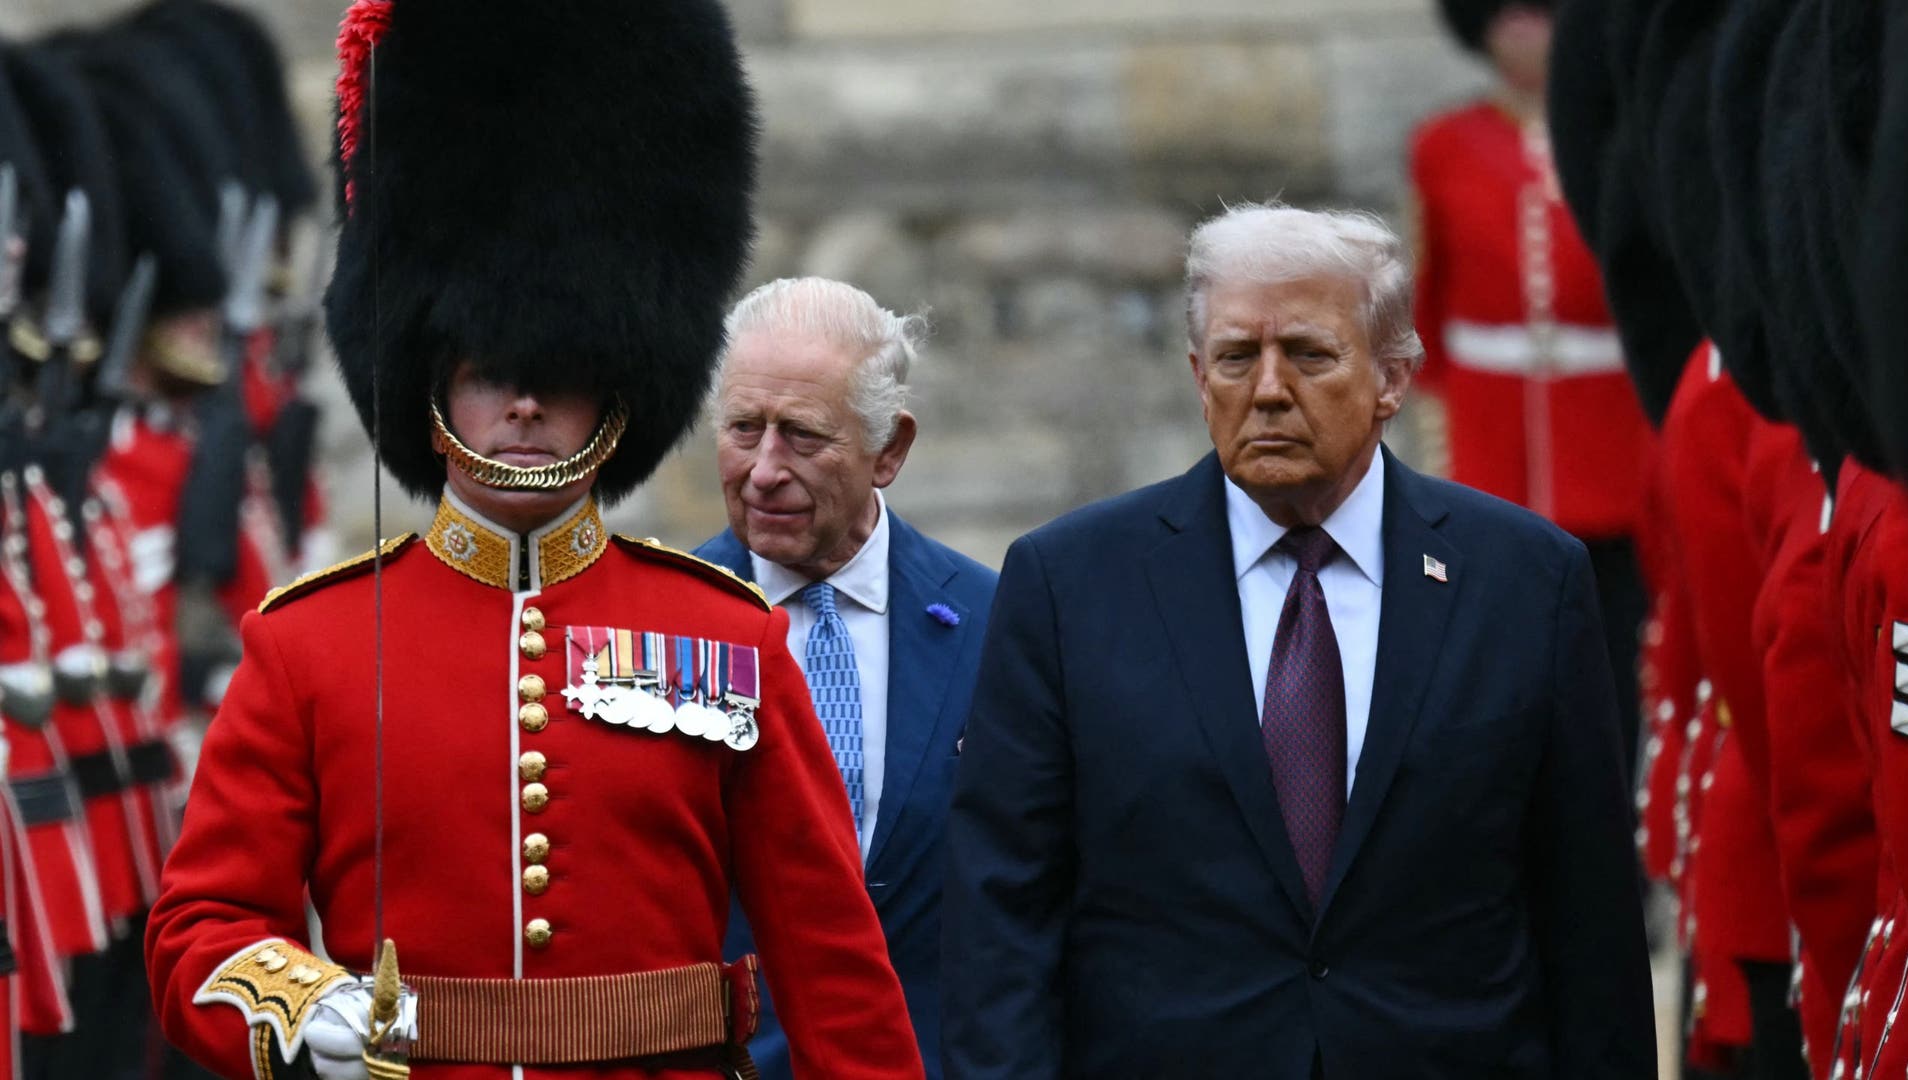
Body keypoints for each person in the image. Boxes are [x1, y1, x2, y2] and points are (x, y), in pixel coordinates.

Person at [144, 1, 922, 1077]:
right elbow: (200, 926)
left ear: (615, 385)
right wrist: (295, 1000)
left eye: (554, 379)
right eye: (488, 377)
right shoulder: (308, 648)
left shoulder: (728, 635)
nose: (520, 409)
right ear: (434, 388)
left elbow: (832, 963)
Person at [943, 203, 1655, 1079]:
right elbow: (1003, 909)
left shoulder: (1526, 582)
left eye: (1310, 355)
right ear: (1200, 377)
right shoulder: (1069, 585)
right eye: (1238, 358)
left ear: (1393, 377)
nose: (1269, 390)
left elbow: (1589, 921)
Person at [693, 278, 997, 1080]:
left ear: (889, 450)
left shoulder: (999, 623)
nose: (763, 470)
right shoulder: (660, 623)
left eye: (801, 436)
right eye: (743, 429)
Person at [1411, 0, 1655, 772]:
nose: (1526, 30)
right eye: (1509, 14)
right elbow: (1427, 299)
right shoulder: (1444, 146)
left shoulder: (1622, 137)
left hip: (1611, 432)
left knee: (1616, 653)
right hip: (1492, 435)